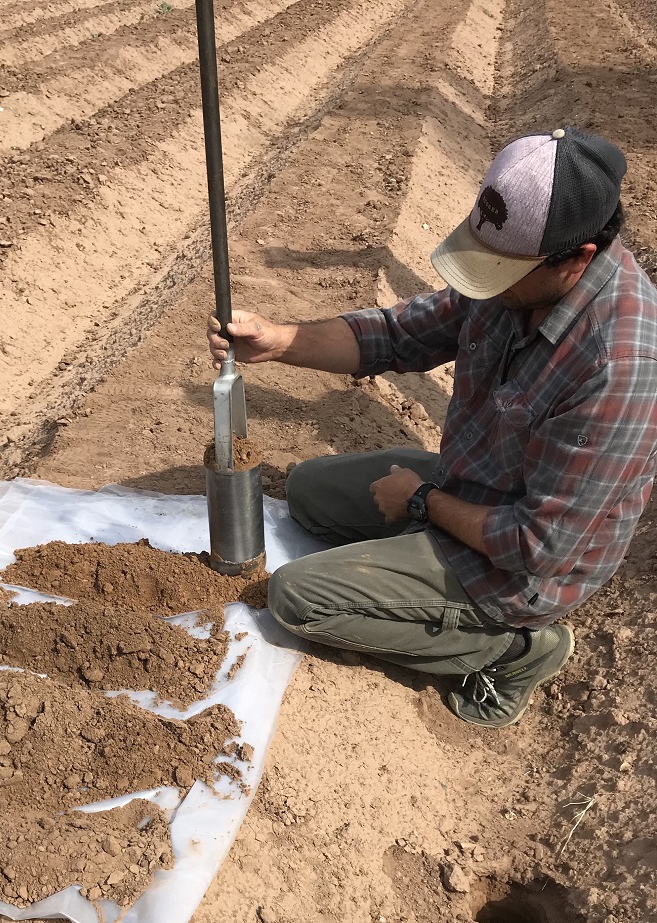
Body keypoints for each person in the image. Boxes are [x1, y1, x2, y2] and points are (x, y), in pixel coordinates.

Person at [208, 127, 657, 727]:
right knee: (310, 492)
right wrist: (280, 341)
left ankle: (513, 651)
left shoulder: (618, 367)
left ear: (577, 259)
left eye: (503, 271)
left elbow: (540, 547)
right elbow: (398, 335)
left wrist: (421, 501)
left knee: (296, 598)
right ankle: (411, 570)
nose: (487, 285)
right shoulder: (515, 285)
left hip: (519, 574)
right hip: (471, 485)